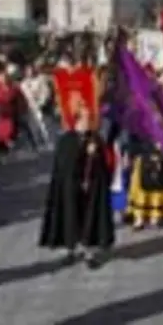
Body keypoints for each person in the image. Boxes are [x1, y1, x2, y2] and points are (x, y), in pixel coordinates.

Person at [38, 107, 115, 269]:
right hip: (70, 188)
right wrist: (82, 152)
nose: (89, 122)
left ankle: (89, 252)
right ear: (78, 120)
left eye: (90, 118)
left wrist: (95, 156)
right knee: (70, 218)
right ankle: (70, 250)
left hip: (91, 188)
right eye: (86, 118)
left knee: (89, 219)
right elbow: (65, 165)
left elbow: (104, 165)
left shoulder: (95, 138)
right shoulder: (67, 140)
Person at [125, 137, 163, 230]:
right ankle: (139, 218)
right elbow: (133, 141)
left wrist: (162, 149)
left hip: (162, 160)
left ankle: (154, 217)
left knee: (158, 188)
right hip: (142, 158)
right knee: (141, 190)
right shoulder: (141, 126)